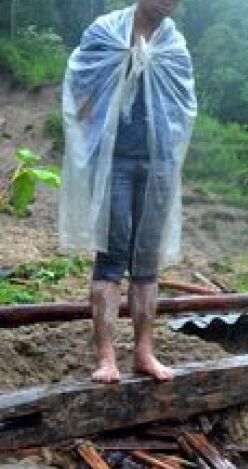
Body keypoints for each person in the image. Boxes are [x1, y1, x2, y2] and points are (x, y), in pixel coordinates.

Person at [58, 0, 197, 383]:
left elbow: (182, 107)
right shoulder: (106, 31)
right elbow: (80, 92)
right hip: (114, 160)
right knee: (112, 254)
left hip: (158, 162)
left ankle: (144, 352)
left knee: (147, 261)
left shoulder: (174, 44)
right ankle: (106, 358)